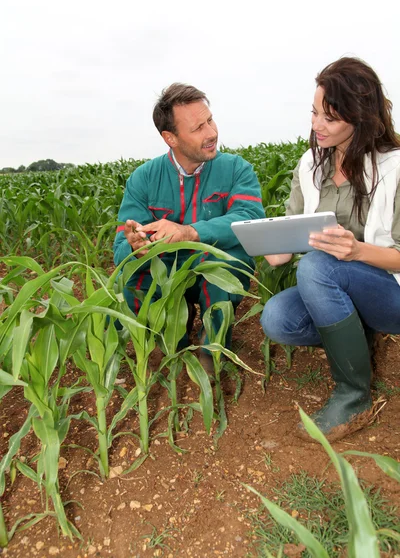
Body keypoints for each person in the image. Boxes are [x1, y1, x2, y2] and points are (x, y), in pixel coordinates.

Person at [260, 57, 400, 442]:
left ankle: (354, 394)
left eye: (330, 118)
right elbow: (290, 235)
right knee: (277, 318)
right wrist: (273, 247)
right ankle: (355, 338)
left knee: (318, 267)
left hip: (391, 292)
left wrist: (357, 252)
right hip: (336, 287)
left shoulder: (394, 168)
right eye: (314, 113)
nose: (316, 125)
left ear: (360, 117)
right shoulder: (309, 166)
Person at [114, 83, 265, 372]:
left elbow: (249, 217)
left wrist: (190, 232)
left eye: (210, 120)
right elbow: (121, 245)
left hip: (212, 264)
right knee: (134, 282)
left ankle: (212, 351)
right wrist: (134, 247)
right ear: (170, 138)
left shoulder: (235, 169)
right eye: (198, 128)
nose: (211, 133)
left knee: (221, 277)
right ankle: (170, 346)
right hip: (167, 269)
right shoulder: (143, 179)